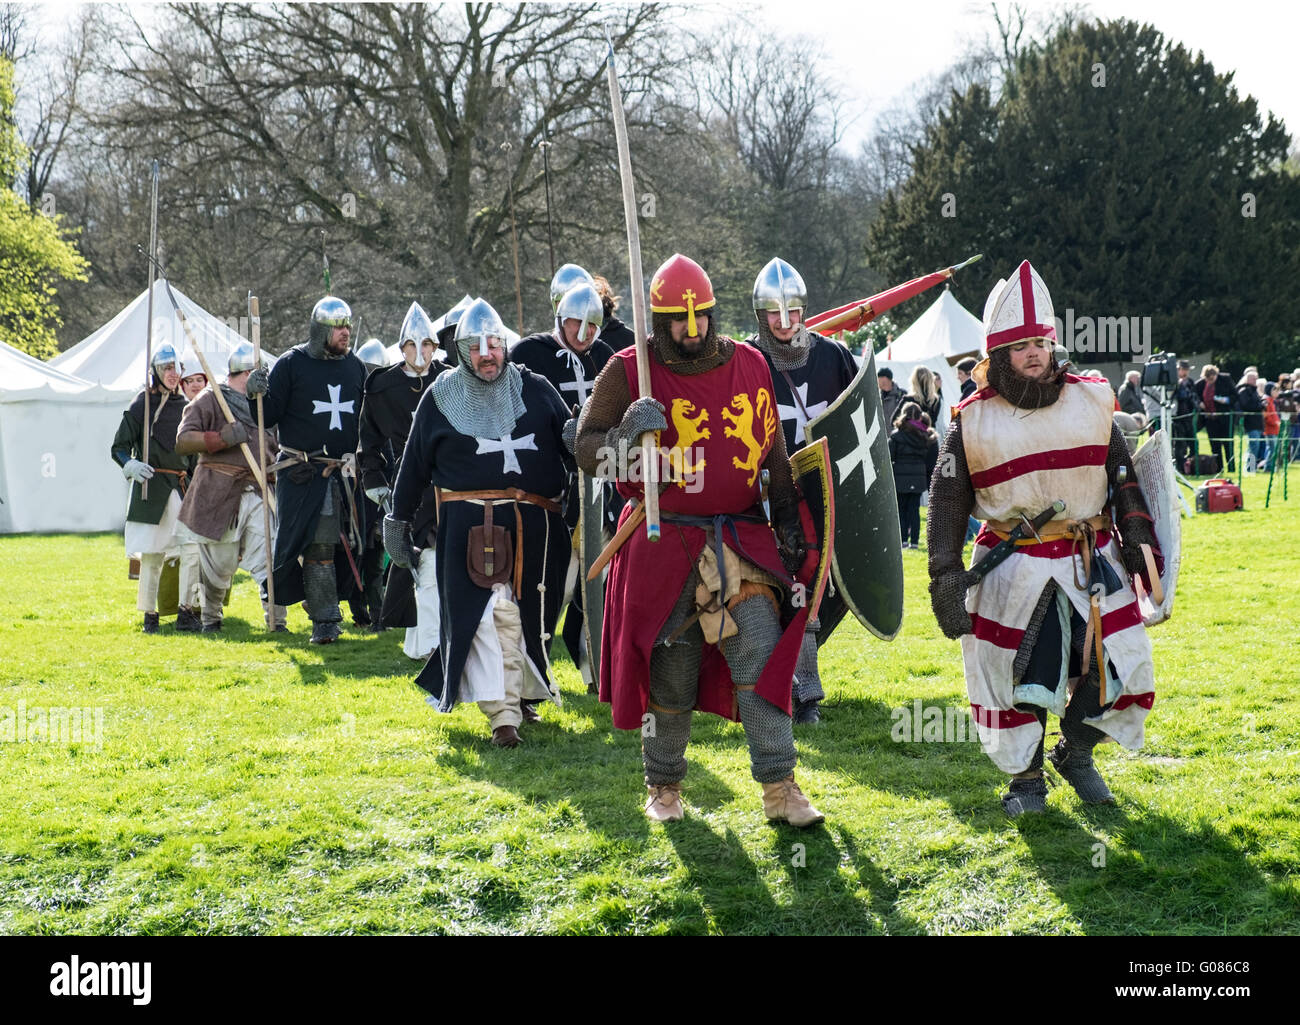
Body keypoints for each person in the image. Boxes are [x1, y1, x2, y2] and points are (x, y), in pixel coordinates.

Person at [575, 252, 823, 827]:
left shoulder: (751, 364)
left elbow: (775, 454)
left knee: (761, 654)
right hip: (662, 540)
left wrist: (786, 521)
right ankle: (664, 788)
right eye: (680, 322)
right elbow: (586, 449)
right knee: (672, 671)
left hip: (737, 535)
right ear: (661, 322)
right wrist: (625, 432)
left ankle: (781, 786)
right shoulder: (629, 368)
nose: (693, 330)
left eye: (701, 318)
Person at [926, 260, 1160, 817]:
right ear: (999, 355)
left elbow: (1122, 479)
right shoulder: (973, 420)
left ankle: (1076, 754)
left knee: (1120, 665)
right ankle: (1026, 780)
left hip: (1090, 561)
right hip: (1014, 567)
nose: (1033, 353)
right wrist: (944, 575)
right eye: (1019, 345)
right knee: (1019, 673)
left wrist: (1137, 543)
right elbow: (947, 504)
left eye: (1040, 342)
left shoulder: (1091, 399)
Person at [384, 298, 572, 748]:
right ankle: (502, 718)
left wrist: (598, 434)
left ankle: (521, 697)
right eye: (477, 346)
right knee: (489, 618)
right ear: (463, 349)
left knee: (526, 619)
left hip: (537, 533)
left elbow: (575, 443)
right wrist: (398, 520)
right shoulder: (442, 395)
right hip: (471, 532)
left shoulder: (536, 387)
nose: (488, 354)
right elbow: (412, 467)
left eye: (495, 344)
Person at [745, 256, 857, 724]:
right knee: (789, 586)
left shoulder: (833, 356)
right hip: (767, 495)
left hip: (823, 494)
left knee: (826, 588)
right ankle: (800, 690)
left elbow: (859, 418)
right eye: (775, 312)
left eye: (792, 310)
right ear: (761, 315)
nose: (785, 321)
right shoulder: (747, 361)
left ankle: (794, 676)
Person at [509, 279, 615, 683]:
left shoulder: (605, 358)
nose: (584, 334)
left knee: (598, 583)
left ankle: (595, 671)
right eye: (577, 324)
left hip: (598, 487)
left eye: (593, 326)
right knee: (550, 586)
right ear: (561, 318)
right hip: (548, 486)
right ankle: (532, 673)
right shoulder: (528, 354)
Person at [247, 296, 367, 644]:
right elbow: (267, 418)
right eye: (339, 327)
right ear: (321, 330)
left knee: (352, 546)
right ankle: (325, 621)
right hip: (302, 473)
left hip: (344, 473)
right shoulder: (291, 364)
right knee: (317, 546)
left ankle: (354, 610)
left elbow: (365, 417)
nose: (346, 333)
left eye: (347, 326)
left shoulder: (355, 367)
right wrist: (255, 395)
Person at [172, 342, 286, 632]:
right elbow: (183, 441)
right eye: (258, 375)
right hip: (219, 493)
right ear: (246, 373)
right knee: (219, 565)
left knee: (269, 558)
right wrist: (219, 439)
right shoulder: (212, 400)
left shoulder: (266, 403)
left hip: (261, 490)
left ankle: (277, 621)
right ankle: (211, 618)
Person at [358, 301, 449, 653]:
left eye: (427, 344)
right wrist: (375, 481)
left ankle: (422, 643)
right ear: (402, 348)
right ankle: (427, 645)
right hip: (408, 488)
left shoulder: (449, 378)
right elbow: (369, 441)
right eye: (413, 345)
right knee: (421, 560)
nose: (421, 352)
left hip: (448, 484)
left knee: (436, 562)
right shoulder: (383, 386)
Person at [111, 342, 201, 633]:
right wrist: (131, 465)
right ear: (156, 371)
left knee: (191, 548)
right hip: (150, 487)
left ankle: (186, 611)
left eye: (176, 368)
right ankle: (150, 615)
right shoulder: (142, 404)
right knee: (152, 554)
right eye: (167, 368)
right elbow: (119, 447)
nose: (173, 374)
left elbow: (193, 455)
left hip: (178, 486)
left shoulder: (187, 408)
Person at [890, 401, 938, 550]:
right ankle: (915, 542)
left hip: (900, 477)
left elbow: (891, 456)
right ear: (919, 417)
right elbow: (931, 460)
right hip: (918, 477)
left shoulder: (896, 436)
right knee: (914, 510)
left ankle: (903, 540)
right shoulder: (926, 436)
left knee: (902, 510)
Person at [1197, 365, 1235, 473]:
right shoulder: (1201, 384)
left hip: (1225, 418)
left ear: (1216, 375)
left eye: (1212, 378)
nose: (1210, 380)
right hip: (1210, 420)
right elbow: (1195, 395)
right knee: (1215, 446)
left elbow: (1235, 396)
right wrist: (1200, 403)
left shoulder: (1226, 379)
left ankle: (1231, 469)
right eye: (1207, 379)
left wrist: (1225, 400)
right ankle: (1219, 469)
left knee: (1228, 445)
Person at [1172, 359, 1198, 473]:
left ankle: (1193, 467)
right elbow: (1180, 397)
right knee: (1180, 444)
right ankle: (1181, 468)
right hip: (1178, 417)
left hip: (1189, 416)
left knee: (1193, 443)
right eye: (1183, 369)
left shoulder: (1191, 382)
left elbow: (1194, 397)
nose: (1185, 372)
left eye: (1186, 370)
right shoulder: (1174, 382)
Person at [1236, 368, 1264, 472]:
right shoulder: (1244, 391)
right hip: (1250, 422)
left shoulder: (1254, 391)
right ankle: (1250, 468)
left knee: (1254, 446)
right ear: (1248, 379)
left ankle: (1251, 467)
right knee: (1254, 445)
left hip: (1257, 422)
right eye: (1253, 379)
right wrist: (1260, 406)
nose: (1255, 381)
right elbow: (1246, 405)